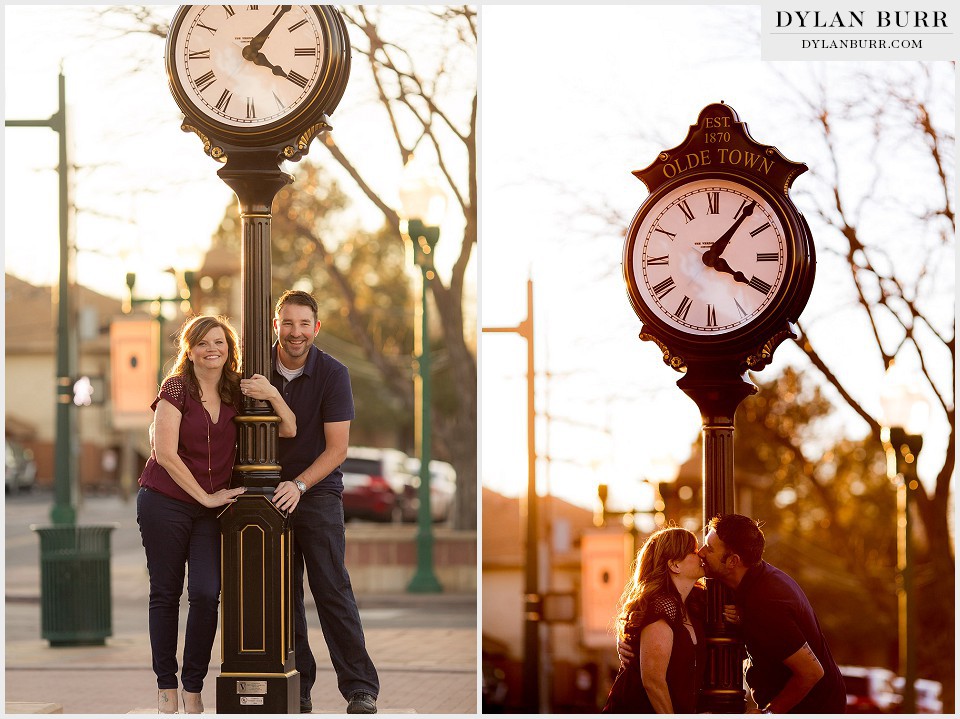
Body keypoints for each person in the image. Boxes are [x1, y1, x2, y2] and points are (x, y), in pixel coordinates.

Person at [137, 315, 295, 714]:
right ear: (189, 351)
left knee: (207, 594)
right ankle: (166, 689)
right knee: (166, 594)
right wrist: (205, 498)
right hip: (165, 501)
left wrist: (273, 396)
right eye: (204, 343)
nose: (213, 349)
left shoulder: (237, 390)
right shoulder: (175, 388)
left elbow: (289, 429)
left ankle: (194, 685)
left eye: (220, 343)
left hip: (210, 509)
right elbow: (165, 454)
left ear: (230, 349)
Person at [242, 289, 379, 715]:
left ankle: (360, 688)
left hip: (315, 489)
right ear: (275, 325)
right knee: (283, 596)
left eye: (304, 324)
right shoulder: (255, 368)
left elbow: (337, 449)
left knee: (331, 587)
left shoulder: (333, 373)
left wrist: (299, 486)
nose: (295, 332)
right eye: (288, 323)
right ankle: (298, 688)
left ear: (316, 329)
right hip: (266, 491)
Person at [698, 514, 846, 714]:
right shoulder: (756, 582)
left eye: (710, 548)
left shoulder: (765, 603)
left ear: (733, 561)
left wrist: (769, 713)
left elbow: (811, 672)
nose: (701, 552)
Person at [602, 526, 706, 713]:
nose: (701, 555)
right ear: (675, 565)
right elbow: (653, 681)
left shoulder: (694, 603)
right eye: (694, 551)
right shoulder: (660, 606)